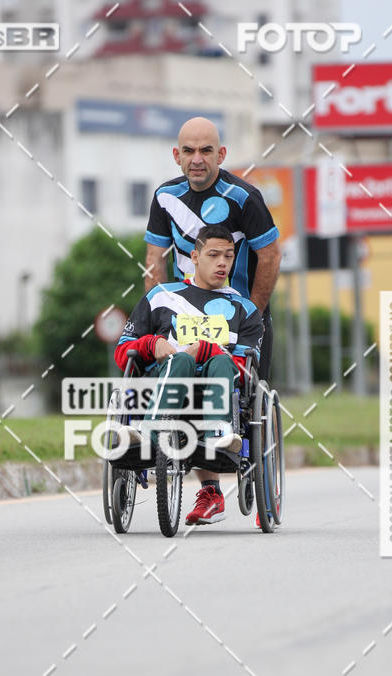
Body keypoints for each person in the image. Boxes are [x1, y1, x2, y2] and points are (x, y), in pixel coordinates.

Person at [143, 115, 281, 514]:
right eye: (188, 151)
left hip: (239, 315)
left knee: (241, 395)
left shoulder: (244, 198)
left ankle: (244, 464)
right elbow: (155, 258)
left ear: (221, 154)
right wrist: (158, 311)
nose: (197, 159)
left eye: (206, 151)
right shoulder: (165, 197)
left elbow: (269, 256)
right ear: (176, 156)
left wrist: (251, 311)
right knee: (181, 380)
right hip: (185, 313)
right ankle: (209, 490)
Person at [114, 225, 263, 525]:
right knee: (180, 361)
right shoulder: (161, 296)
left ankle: (217, 435)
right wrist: (152, 343)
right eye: (213, 255)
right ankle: (148, 435)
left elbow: (247, 369)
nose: (222, 263)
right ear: (194, 256)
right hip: (165, 376)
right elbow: (123, 352)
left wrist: (208, 351)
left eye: (229, 256)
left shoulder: (244, 309)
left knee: (222, 362)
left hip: (216, 385)